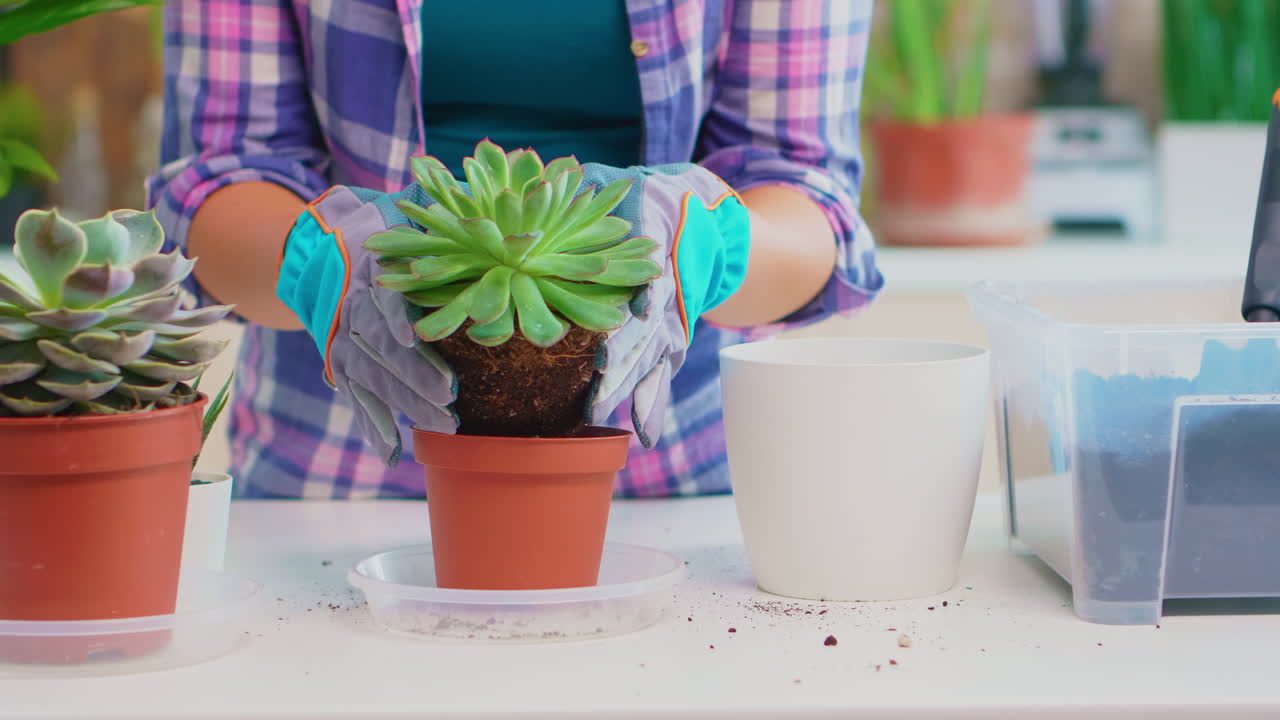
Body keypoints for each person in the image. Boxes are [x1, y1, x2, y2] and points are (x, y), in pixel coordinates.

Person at [146, 0, 884, 499]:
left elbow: (807, 200)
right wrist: (317, 265)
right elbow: (219, 177)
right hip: (338, 476)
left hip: (676, 479)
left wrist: (714, 240)